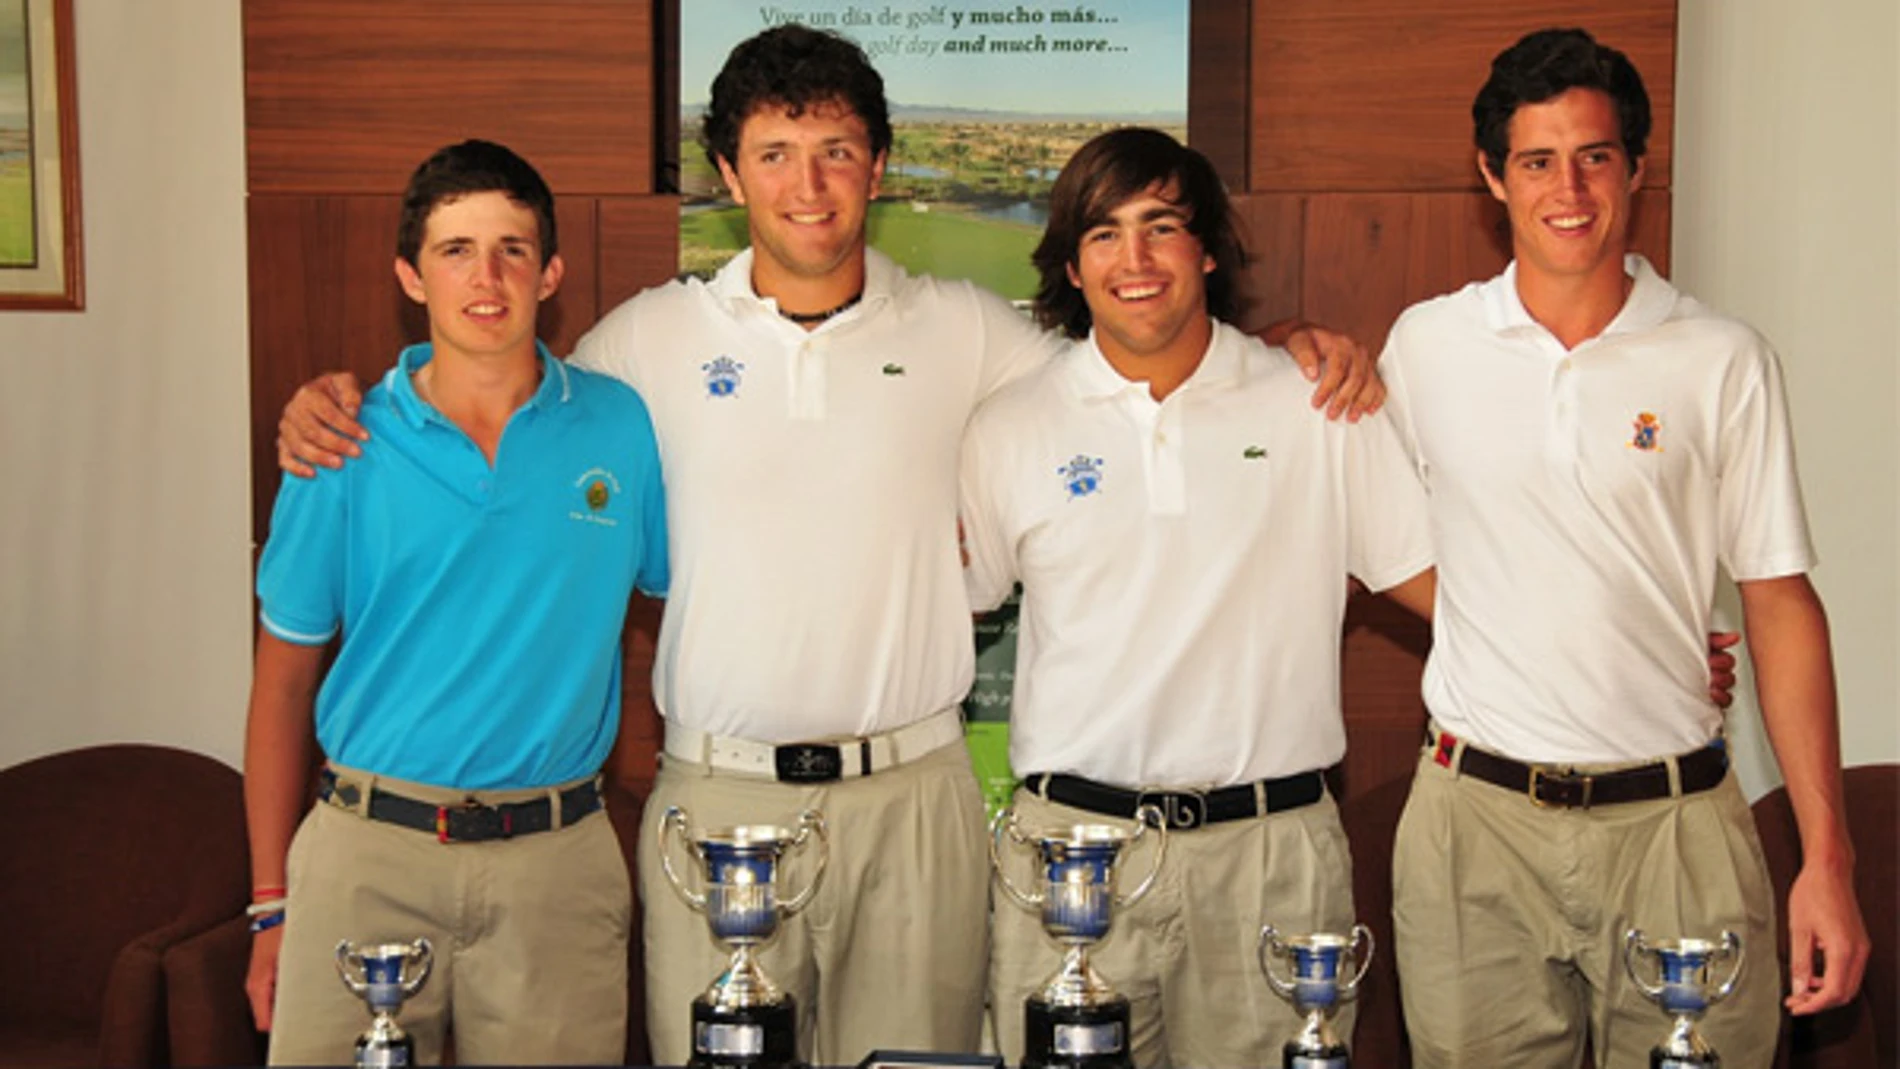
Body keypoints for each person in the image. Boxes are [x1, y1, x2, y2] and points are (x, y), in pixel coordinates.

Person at [270, 26, 1385, 1064]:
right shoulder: (643, 346)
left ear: (880, 166)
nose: (808, 185)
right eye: (776, 153)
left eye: (836, 151)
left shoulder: (967, 331)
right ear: (726, 172)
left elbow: (1141, 340)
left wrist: (1286, 343)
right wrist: (339, 402)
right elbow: (507, 403)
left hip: (914, 797)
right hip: (716, 797)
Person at [1380, 28, 1869, 1067]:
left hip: (1677, 831)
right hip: (1474, 830)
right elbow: (1365, 537)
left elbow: (1779, 601)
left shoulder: (1721, 358)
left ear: (1636, 168)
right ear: (1491, 177)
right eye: (1536, 160)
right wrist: (1549, 625)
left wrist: (1826, 860)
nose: (1569, 187)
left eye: (1594, 155)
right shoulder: (1426, 345)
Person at [961, 127, 1435, 1067]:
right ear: (1071, 261)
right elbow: (931, 613)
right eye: (1103, 233)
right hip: (1074, 860)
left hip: (1273, 856)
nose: (1134, 260)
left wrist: (1638, 658)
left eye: (1161, 226)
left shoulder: (1320, 405)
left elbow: (1449, 594)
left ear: (1207, 246)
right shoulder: (1009, 426)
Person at [243, 140, 669, 1065]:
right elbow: (279, 686)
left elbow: (703, 594)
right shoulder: (339, 442)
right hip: (368, 856)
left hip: (557, 862)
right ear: (411, 274)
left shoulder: (622, 427)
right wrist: (270, 904)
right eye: (456, 249)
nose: (488, 276)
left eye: (513, 249)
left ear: (551, 272)